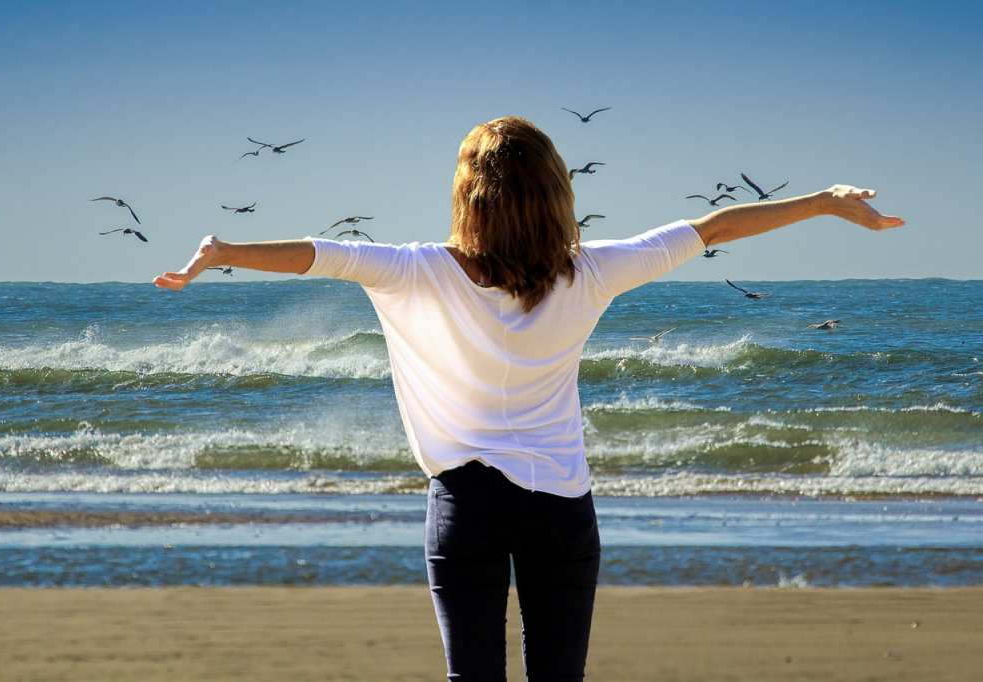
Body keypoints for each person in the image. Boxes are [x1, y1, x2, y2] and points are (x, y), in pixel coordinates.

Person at [154, 116, 903, 681]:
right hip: (561, 509)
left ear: (466, 197)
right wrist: (827, 203)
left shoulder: (415, 270)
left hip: (464, 507)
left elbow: (317, 255)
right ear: (558, 194)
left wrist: (221, 254)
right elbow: (712, 227)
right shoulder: (595, 269)